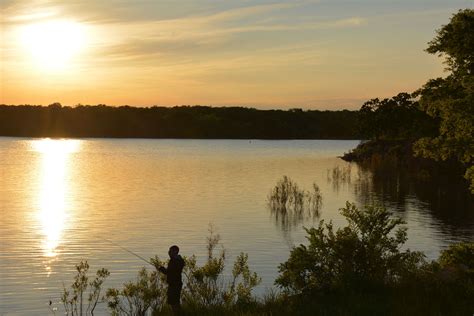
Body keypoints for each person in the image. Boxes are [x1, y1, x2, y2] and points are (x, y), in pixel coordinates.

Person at [157, 245, 185, 314]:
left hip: (174, 285)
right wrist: (162, 269)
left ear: (175, 251)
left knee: (174, 303)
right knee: (175, 302)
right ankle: (178, 314)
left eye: (170, 251)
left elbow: (169, 272)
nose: (169, 252)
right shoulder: (178, 260)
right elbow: (170, 272)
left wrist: (161, 269)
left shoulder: (175, 261)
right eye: (169, 251)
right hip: (175, 284)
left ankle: (177, 314)